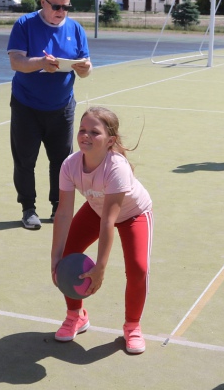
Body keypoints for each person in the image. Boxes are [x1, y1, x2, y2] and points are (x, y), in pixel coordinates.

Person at [51, 106, 153, 354]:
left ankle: (132, 326)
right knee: (67, 258)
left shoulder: (117, 167)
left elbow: (110, 220)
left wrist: (100, 268)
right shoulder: (70, 164)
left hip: (133, 214)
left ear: (110, 141)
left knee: (138, 268)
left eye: (94, 132)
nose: (85, 136)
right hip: (96, 209)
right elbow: (63, 213)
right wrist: (56, 258)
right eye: (82, 130)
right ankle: (76, 315)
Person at [7, 0, 92, 231]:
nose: (61, 11)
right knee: (25, 160)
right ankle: (28, 208)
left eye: (67, 7)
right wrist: (42, 63)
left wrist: (85, 68)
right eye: (56, 6)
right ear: (43, 3)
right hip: (26, 105)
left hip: (62, 106)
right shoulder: (24, 24)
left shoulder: (76, 29)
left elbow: (85, 69)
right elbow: (16, 62)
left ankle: (58, 206)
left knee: (61, 161)